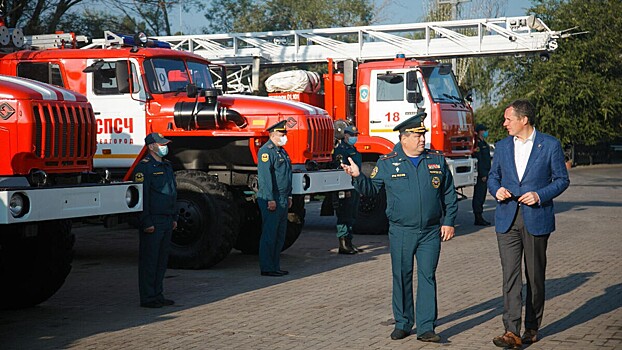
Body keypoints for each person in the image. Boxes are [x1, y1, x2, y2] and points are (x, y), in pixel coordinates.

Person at [341, 113, 458, 343]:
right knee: (402, 276)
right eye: (417, 135)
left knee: (427, 276)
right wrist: (357, 177)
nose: (422, 139)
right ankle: (403, 323)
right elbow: (372, 190)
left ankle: (426, 327)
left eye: (423, 135)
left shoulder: (436, 160)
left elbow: (449, 194)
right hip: (402, 231)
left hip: (430, 232)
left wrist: (449, 221)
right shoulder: (387, 162)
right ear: (404, 138)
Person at [487, 99, 569, 349]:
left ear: (524, 120)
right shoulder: (501, 146)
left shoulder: (550, 145)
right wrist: (496, 190)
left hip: (536, 218)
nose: (504, 124)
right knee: (510, 276)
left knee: (534, 277)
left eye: (508, 119)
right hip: (506, 218)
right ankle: (511, 331)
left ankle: (532, 328)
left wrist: (539, 195)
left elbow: (561, 180)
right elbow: (493, 176)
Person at [132, 132, 178, 308]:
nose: (164, 147)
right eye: (161, 144)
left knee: (161, 261)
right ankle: (148, 297)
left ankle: (158, 294)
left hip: (166, 219)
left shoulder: (167, 166)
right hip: (153, 220)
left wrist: (174, 217)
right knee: (150, 261)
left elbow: (172, 192)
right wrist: (146, 221)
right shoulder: (144, 168)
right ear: (151, 146)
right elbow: (142, 198)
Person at [257, 120, 293, 277]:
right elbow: (265, 178)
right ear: (272, 134)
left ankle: (275, 265)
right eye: (281, 134)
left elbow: (287, 176)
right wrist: (270, 198)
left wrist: (289, 195)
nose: (284, 136)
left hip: (283, 198)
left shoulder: (282, 151)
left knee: (280, 235)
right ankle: (267, 267)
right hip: (272, 198)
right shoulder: (266, 152)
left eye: (285, 134)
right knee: (270, 235)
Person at [333, 125, 362, 254]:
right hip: (346, 187)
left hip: (354, 185)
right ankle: (343, 244)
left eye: (356, 135)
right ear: (346, 136)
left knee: (352, 214)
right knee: (344, 214)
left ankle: (349, 242)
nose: (354, 137)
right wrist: (346, 188)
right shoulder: (341, 150)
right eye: (352, 135)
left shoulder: (352, 148)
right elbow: (341, 170)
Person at [472, 123, 492, 226]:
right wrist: (483, 174)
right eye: (484, 130)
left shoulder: (484, 143)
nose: (485, 132)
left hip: (486, 172)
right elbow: (479, 160)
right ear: (479, 131)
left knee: (482, 195)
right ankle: (478, 217)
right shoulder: (478, 144)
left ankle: (480, 216)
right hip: (481, 174)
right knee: (479, 195)